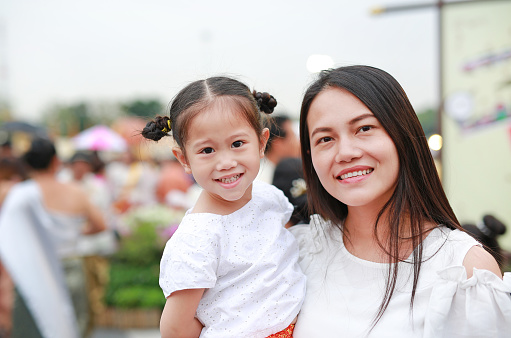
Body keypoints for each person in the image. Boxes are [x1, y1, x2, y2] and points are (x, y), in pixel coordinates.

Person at [290, 65, 511, 337]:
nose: (345, 153)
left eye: (364, 128)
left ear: (402, 135)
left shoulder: (464, 269)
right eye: (325, 138)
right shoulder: (298, 250)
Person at [142, 76, 306, 338]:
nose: (226, 162)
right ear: (184, 159)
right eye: (207, 150)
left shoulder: (269, 196)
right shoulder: (196, 239)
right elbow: (175, 328)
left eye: (237, 144)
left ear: (262, 143)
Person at [0, 138, 106, 338]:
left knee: (31, 328)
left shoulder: (17, 194)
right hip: (70, 267)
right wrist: (76, 233)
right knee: (72, 327)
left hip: (31, 267)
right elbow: (100, 225)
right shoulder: (75, 192)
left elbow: (7, 242)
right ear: (56, 161)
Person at [257, 114, 300, 183]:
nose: (298, 143)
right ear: (278, 143)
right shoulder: (262, 181)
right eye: (294, 136)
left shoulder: (294, 170)